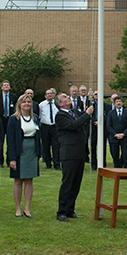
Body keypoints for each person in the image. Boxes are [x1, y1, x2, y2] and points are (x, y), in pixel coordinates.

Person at [55, 92, 94, 222]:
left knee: (76, 183)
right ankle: (61, 211)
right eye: (65, 97)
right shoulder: (60, 116)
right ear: (60, 103)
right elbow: (74, 125)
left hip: (80, 152)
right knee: (68, 182)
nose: (68, 98)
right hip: (69, 153)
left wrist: (90, 100)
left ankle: (70, 210)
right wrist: (87, 114)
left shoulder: (74, 112)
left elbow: (83, 116)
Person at [7, 95, 42, 218]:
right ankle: (18, 208)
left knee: (29, 180)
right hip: (19, 152)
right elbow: (10, 140)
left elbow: (38, 137)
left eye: (29, 102)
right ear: (19, 104)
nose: (27, 104)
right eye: (24, 102)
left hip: (32, 152)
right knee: (18, 181)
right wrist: (12, 158)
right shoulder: (14, 119)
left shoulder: (35, 118)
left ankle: (27, 208)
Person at [106, 96, 127, 168]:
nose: (118, 103)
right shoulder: (111, 113)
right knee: (115, 153)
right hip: (114, 136)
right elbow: (108, 125)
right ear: (114, 103)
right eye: (117, 102)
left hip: (125, 136)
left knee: (125, 153)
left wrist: (124, 134)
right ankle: (117, 167)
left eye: (120, 101)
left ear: (122, 102)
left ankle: (126, 168)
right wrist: (115, 134)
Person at [39, 88, 60, 170]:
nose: (49, 95)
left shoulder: (57, 104)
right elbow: (40, 116)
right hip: (45, 126)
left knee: (56, 146)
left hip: (55, 126)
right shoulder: (41, 105)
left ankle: (57, 164)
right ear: (45, 96)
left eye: (51, 93)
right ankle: (48, 163)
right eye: (48, 94)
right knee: (46, 146)